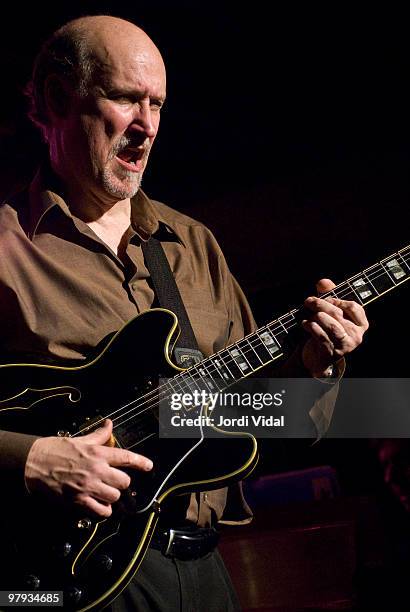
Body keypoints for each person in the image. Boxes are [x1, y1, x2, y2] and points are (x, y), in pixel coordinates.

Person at [0, 15, 369, 611]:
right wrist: (33, 459)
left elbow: (270, 421)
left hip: (203, 569)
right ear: (57, 99)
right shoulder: (5, 247)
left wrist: (314, 368)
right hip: (56, 579)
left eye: (158, 104)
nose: (147, 126)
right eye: (124, 98)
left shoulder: (192, 245)